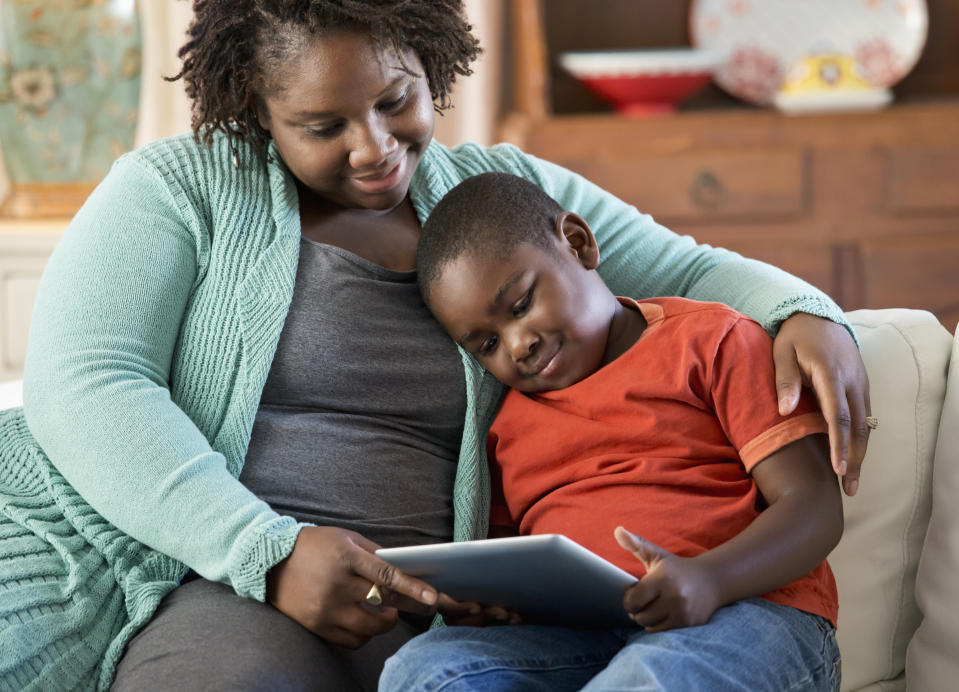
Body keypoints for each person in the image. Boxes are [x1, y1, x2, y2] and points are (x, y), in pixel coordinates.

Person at [0, 1, 869, 690]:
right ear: (259, 110)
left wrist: (804, 313)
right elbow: (86, 380)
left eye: (394, 101)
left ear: (429, 60)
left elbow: (693, 269)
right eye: (322, 126)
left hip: (430, 614)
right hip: (237, 585)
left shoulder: (500, 194)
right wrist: (265, 554)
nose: (374, 149)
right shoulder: (180, 188)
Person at [380, 171, 844, 691]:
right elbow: (514, 573)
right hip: (584, 638)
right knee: (423, 671)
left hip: (750, 616)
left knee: (644, 678)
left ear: (578, 245)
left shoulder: (711, 342)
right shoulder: (505, 428)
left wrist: (709, 579)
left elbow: (815, 505)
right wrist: (478, 606)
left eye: (520, 306)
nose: (516, 346)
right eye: (486, 345)